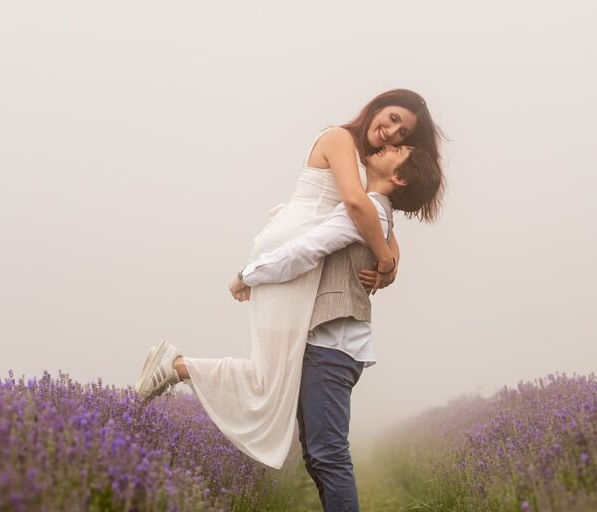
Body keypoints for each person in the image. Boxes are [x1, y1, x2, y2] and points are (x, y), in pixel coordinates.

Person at [135, 89, 444, 471]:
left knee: (277, 375)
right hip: (293, 251)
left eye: (402, 134)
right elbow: (356, 205)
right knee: (272, 378)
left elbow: (382, 223)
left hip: (304, 259)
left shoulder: (369, 168)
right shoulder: (340, 138)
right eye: (393, 118)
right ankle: (175, 366)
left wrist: (390, 265)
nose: (392, 132)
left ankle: (175, 367)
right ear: (378, 107)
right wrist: (383, 258)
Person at [228, 143, 443, 512]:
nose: (385, 146)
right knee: (319, 455)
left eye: (397, 148)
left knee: (328, 454)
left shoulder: (367, 212)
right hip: (326, 345)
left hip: (331, 347)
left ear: (399, 176)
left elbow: (306, 250)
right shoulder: (374, 214)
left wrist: (248, 274)